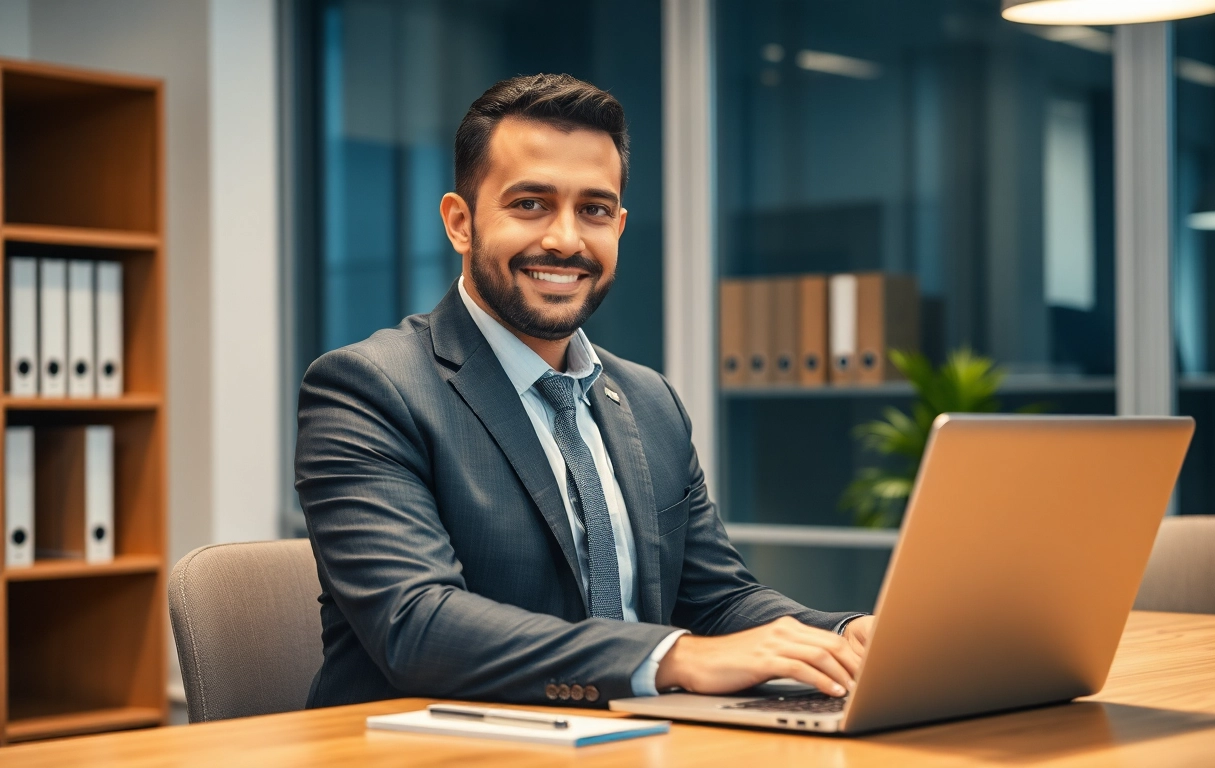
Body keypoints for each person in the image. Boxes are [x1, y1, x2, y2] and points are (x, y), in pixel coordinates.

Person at [295, 73, 875, 709]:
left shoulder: (651, 401)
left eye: (593, 210)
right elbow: (418, 626)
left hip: (638, 742)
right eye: (530, 204)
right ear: (460, 223)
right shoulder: (369, 389)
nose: (566, 240)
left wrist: (844, 635)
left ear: (619, 227)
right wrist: (673, 657)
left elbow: (717, 599)